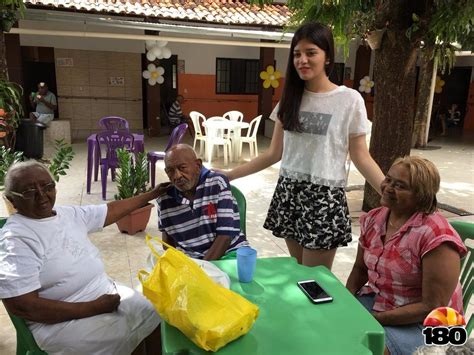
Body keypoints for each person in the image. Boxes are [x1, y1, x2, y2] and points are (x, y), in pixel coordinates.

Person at [220, 22, 384, 269]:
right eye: (297, 54)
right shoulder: (290, 99)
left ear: (327, 57)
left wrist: (390, 191)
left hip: (324, 198)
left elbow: (361, 156)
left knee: (315, 277)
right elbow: (273, 154)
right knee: (299, 274)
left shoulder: (349, 100)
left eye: (311, 52)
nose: (302, 60)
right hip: (290, 193)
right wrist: (229, 175)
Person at [0, 160, 170, 355]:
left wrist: (153, 194)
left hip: (102, 292)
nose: (41, 195)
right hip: (60, 321)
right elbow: (23, 306)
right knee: (120, 334)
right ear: (12, 200)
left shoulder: (66, 214)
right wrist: (92, 308)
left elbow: (110, 211)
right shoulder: (16, 240)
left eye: (47, 186)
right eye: (29, 191)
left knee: (152, 312)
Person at [346, 156, 467, 355]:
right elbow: (360, 269)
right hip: (383, 302)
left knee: (364, 348)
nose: (388, 187)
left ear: (421, 195)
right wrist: (346, 300)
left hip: (432, 324)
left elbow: (432, 306)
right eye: (388, 179)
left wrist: (374, 319)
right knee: (333, 324)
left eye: (400, 185)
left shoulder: (436, 236)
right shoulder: (374, 219)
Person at [157, 144, 248, 260]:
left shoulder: (216, 183)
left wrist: (202, 270)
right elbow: (168, 244)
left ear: (198, 165)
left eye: (182, 168)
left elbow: (225, 236)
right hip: (192, 260)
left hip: (229, 253)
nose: (177, 176)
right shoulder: (164, 199)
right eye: (170, 171)